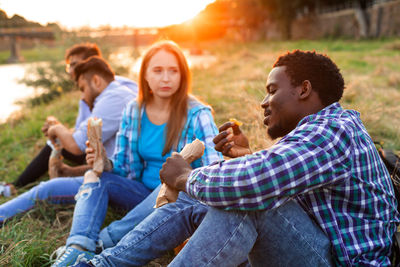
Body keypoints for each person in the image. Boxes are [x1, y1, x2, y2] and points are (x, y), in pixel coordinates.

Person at [78, 50, 399, 267]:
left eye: (272, 90)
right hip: (319, 244)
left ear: (304, 89)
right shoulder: (326, 128)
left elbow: (255, 183)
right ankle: (102, 263)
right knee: (220, 190)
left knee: (243, 201)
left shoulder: (331, 132)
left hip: (342, 261)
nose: (264, 101)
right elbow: (285, 181)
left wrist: (183, 178)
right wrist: (245, 156)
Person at [51, 40, 222, 266]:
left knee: (170, 186)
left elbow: (215, 170)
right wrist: (105, 162)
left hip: (177, 200)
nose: (166, 78)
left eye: (173, 71)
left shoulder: (197, 113)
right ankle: (77, 246)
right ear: (146, 76)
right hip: (140, 193)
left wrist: (185, 180)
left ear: (182, 75)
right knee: (95, 177)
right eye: (158, 71)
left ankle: (103, 241)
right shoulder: (134, 109)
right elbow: (124, 167)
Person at [0, 56, 134, 225]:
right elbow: (116, 163)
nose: (83, 96)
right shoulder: (120, 92)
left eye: (83, 88)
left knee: (47, 189)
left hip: (125, 182)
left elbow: (76, 146)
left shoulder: (114, 98)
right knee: (53, 184)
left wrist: (56, 128)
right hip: (118, 172)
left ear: (96, 80)